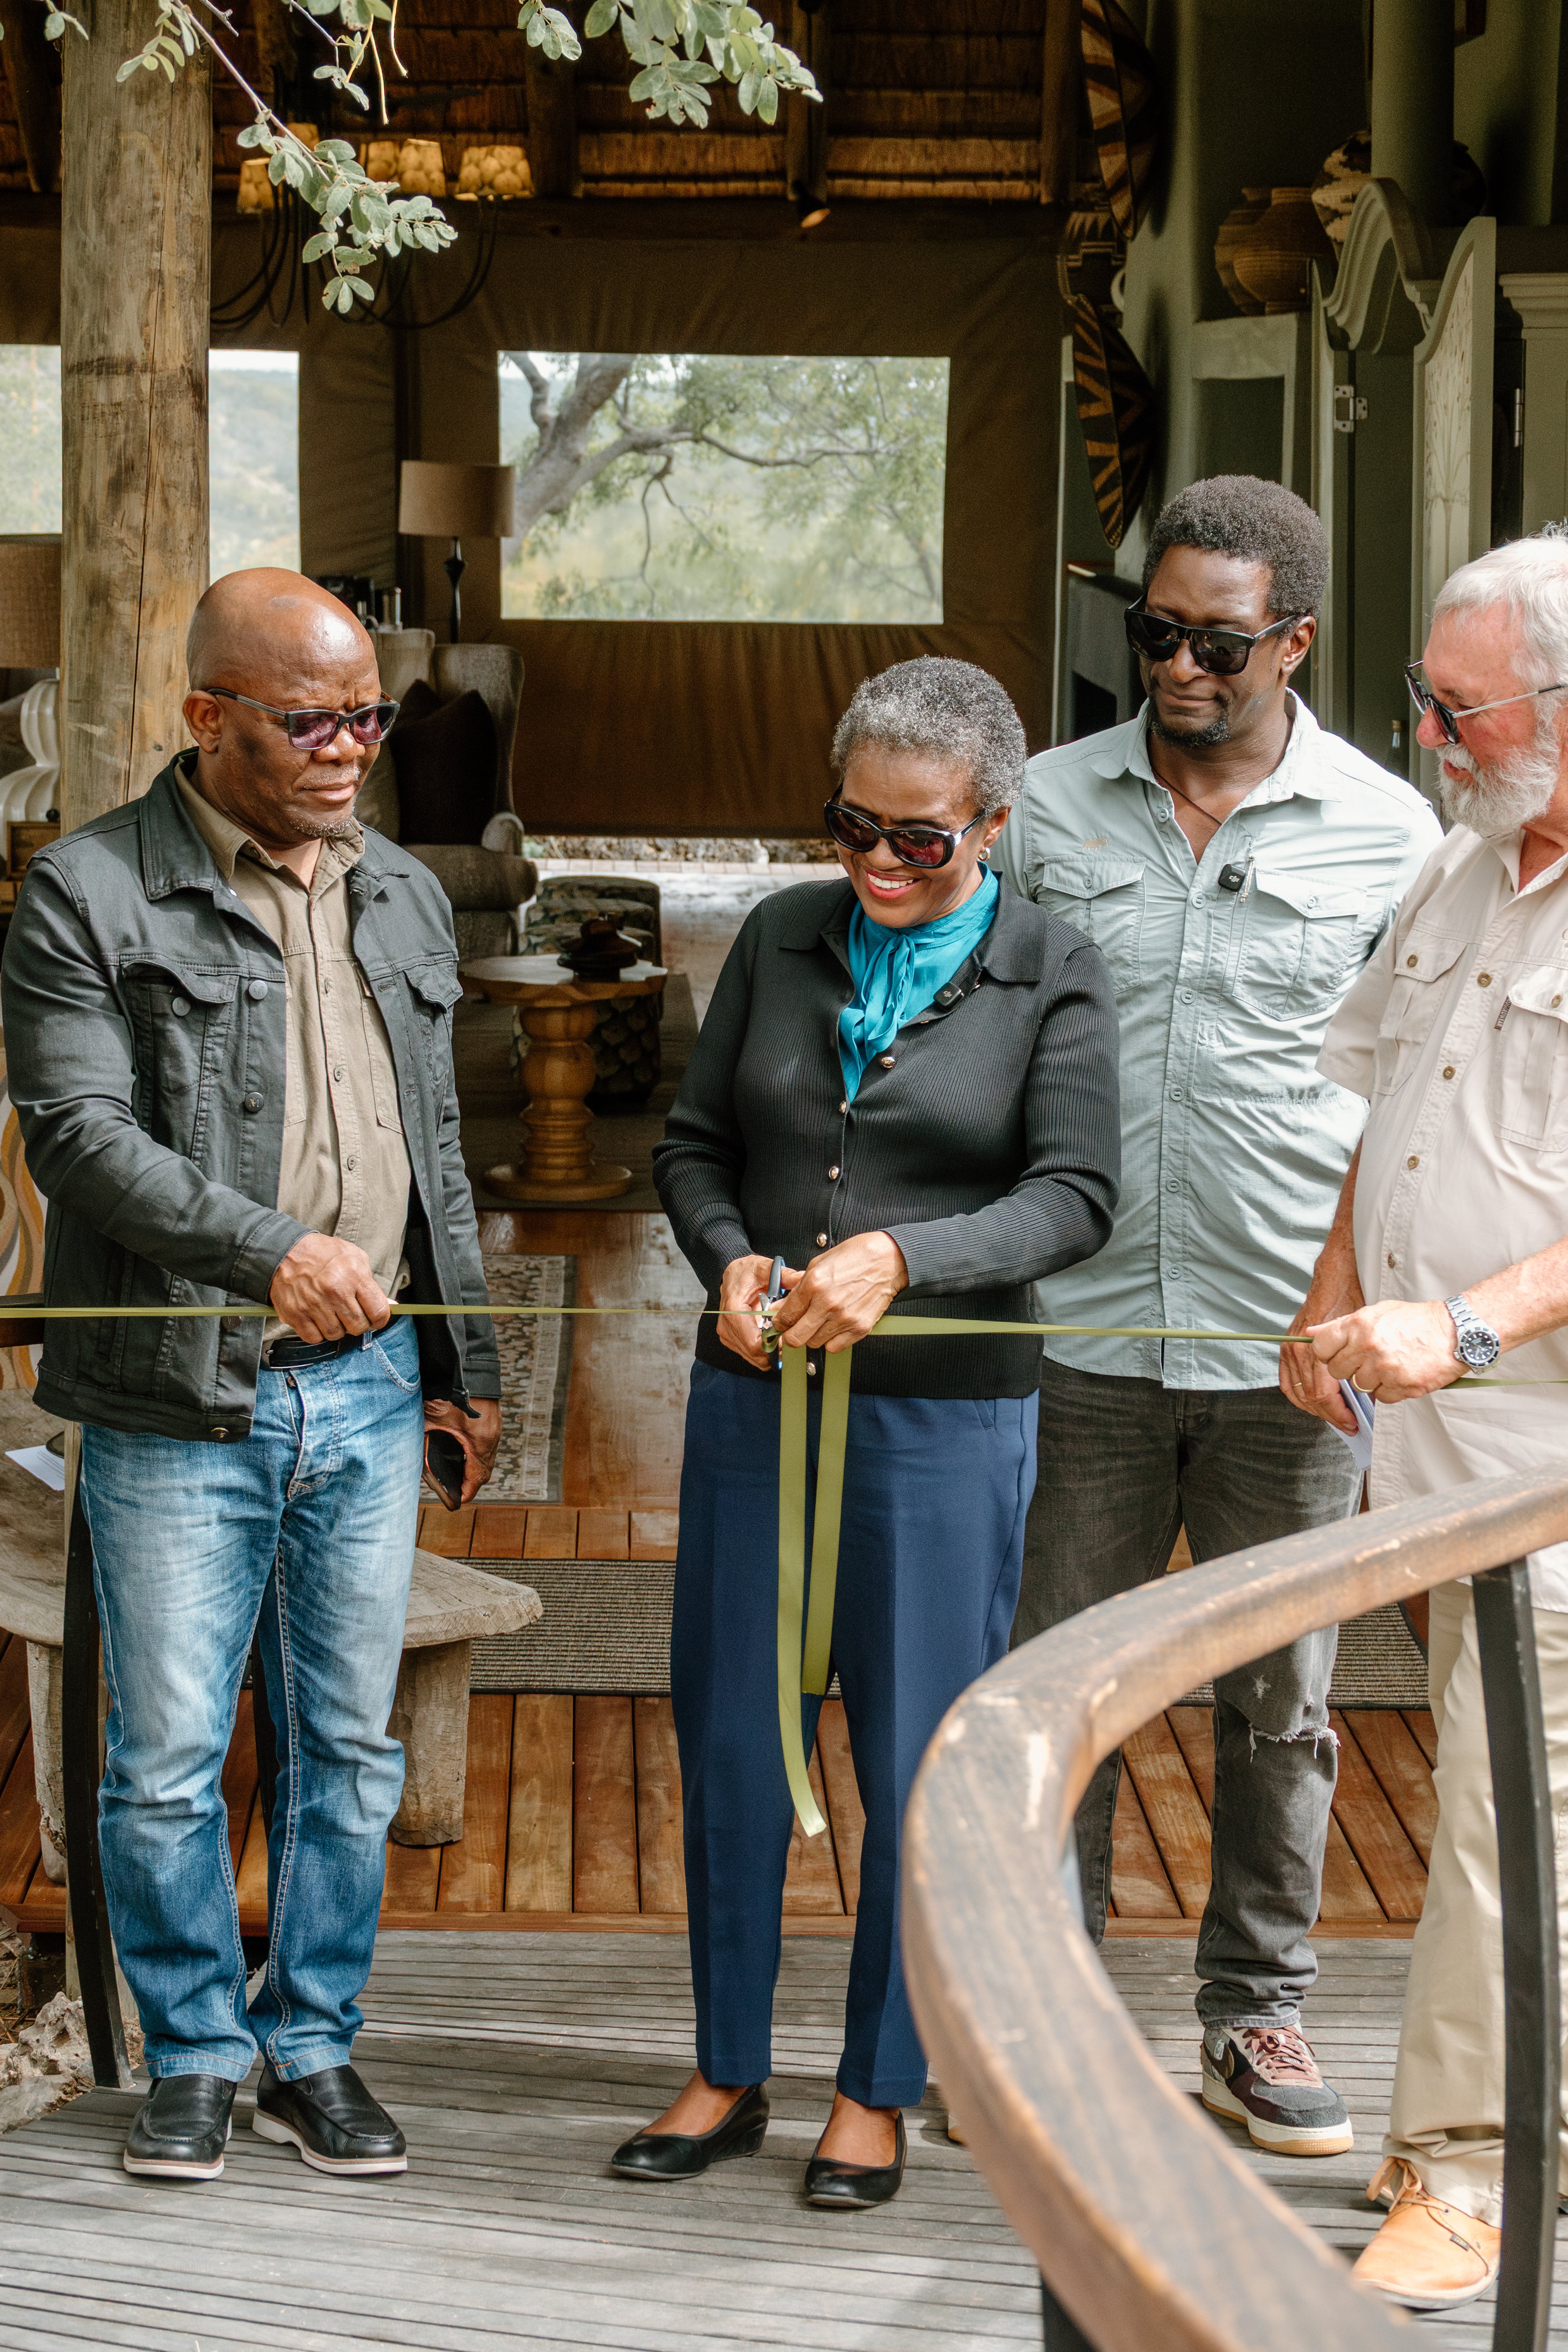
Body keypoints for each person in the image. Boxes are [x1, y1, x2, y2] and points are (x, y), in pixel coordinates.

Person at [1, 571, 501, 2183]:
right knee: (159, 1759)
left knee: (347, 1749)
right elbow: (78, 1138)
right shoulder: (88, 893)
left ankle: (313, 2048)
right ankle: (199, 2055)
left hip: (362, 1390)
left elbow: (439, 1154)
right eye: (315, 720)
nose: (356, 746)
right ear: (209, 716)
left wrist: (465, 1359)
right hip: (172, 1393)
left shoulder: (406, 895)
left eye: (368, 713)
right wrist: (265, 1250)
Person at [630, 656, 1119, 2207]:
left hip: (948, 1426)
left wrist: (908, 1258)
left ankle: (878, 2089)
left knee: (916, 1752)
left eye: (926, 839)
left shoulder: (1059, 968)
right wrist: (731, 1262)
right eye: (856, 828)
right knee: (726, 1734)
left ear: (993, 821)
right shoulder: (780, 936)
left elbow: (1076, 1198)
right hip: (752, 1401)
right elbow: (695, 1147)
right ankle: (724, 2066)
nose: (884, 865)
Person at [995, 475, 1442, 2159]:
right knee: (1057, 1688)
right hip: (1074, 1336)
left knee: (1286, 1708)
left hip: (1291, 1345)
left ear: (1299, 642)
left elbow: (1411, 1093)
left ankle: (1256, 2018)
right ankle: (1046, 2016)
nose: (1179, 665)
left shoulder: (1395, 834)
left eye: (1219, 642)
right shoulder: (1041, 808)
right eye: (1158, 631)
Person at [1292, 527, 1568, 2309]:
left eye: (1458, 711)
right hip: (1432, 1444)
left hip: (1539, 1454)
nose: (1433, 738)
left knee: (1506, 1815)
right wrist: (1332, 1299)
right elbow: (1383, 1103)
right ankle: (1464, 2123)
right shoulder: (1466, 863)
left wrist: (1459, 1328)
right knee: (1493, 1786)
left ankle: (1478, 2182)